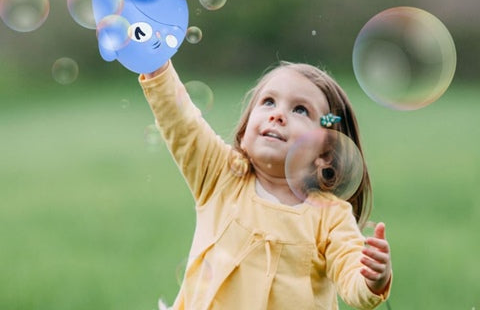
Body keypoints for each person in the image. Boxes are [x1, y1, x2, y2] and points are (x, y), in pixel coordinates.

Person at [139, 59, 392, 310]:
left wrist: (372, 279)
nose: (278, 115)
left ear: (325, 153)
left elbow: (352, 275)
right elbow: (180, 119)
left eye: (300, 110)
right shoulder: (220, 175)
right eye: (268, 101)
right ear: (246, 128)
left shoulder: (331, 217)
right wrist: (156, 62)